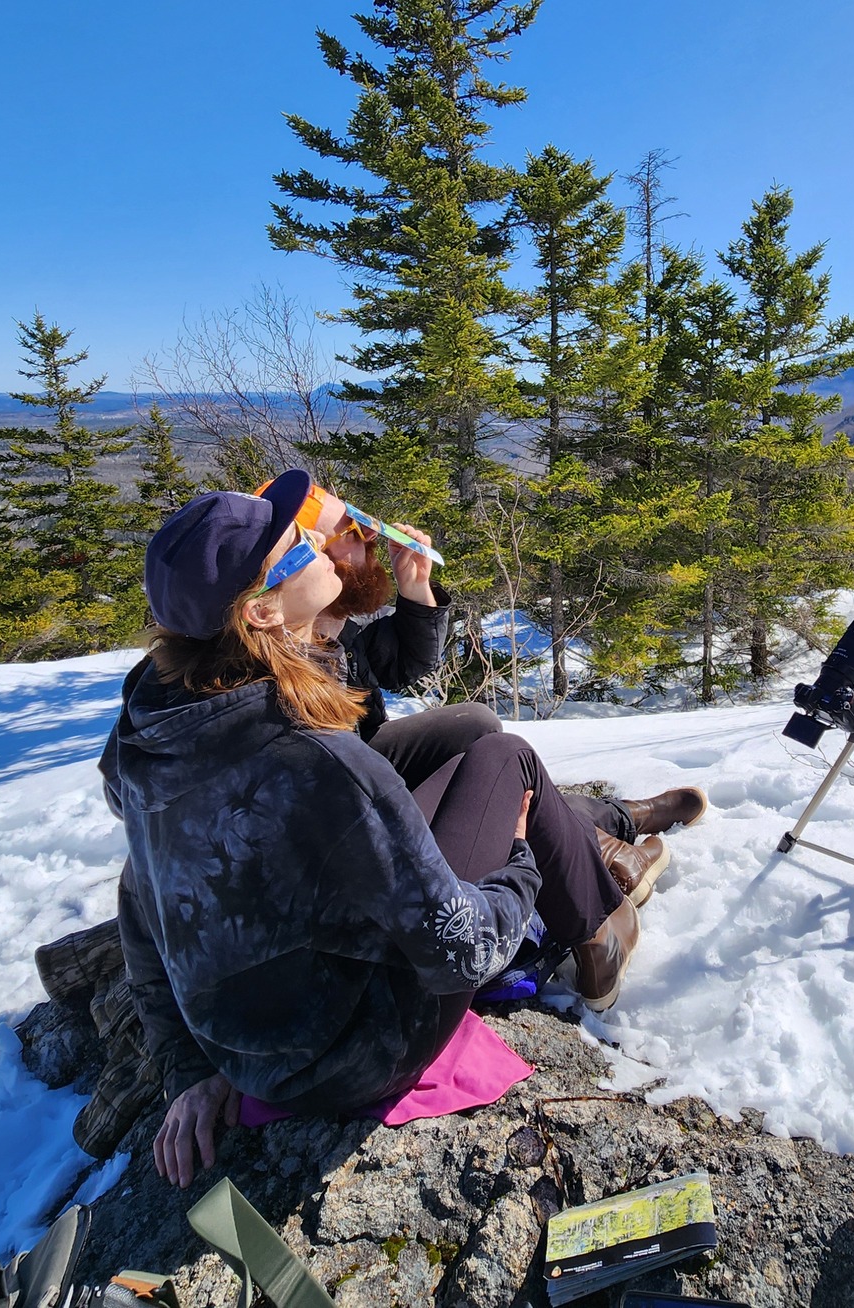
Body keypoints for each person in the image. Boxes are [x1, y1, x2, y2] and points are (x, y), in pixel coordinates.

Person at [100, 474, 648, 1186]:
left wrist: (189, 1064)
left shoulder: (153, 738)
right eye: (294, 542)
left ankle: (599, 833)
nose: (316, 538)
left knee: (480, 743)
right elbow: (461, 953)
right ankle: (599, 927)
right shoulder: (313, 758)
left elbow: (143, 913)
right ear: (262, 611)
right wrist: (517, 865)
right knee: (506, 756)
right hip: (363, 1046)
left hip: (258, 1055)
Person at [270, 478, 709, 905]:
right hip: (353, 818)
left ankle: (611, 820)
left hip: (365, 766)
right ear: (310, 557)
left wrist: (415, 589)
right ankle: (612, 832)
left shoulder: (322, 625)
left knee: (475, 725)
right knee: (492, 766)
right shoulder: (278, 653)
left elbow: (401, 666)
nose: (370, 537)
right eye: (352, 530)